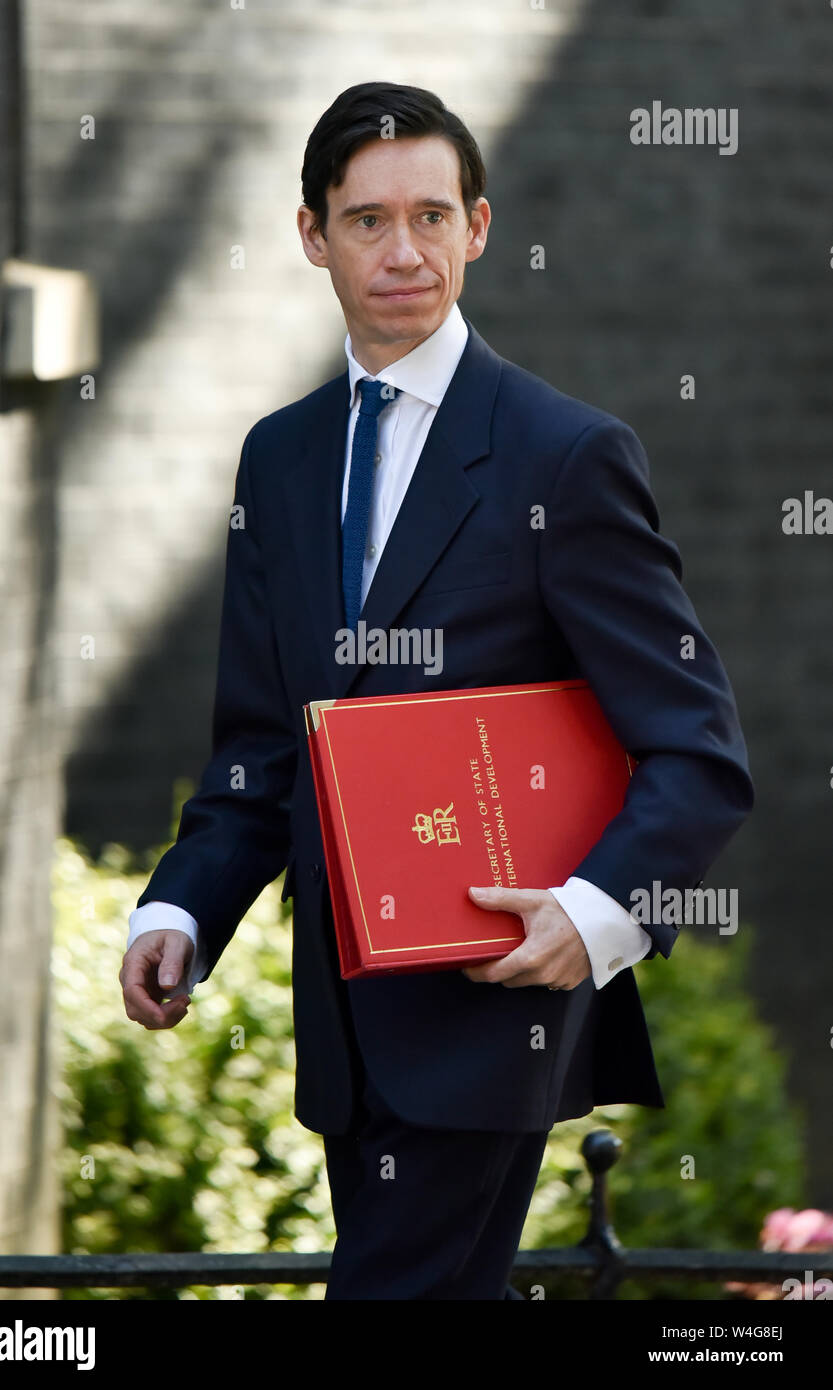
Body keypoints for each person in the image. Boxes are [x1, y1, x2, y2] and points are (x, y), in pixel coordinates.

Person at [120, 81, 754, 1300]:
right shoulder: (280, 455)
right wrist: (180, 913)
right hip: (346, 1031)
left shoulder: (564, 456)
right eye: (366, 220)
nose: (402, 251)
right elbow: (262, 746)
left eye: (430, 215)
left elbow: (698, 751)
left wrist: (596, 917)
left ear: (476, 225)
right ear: (313, 235)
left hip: (493, 1010)